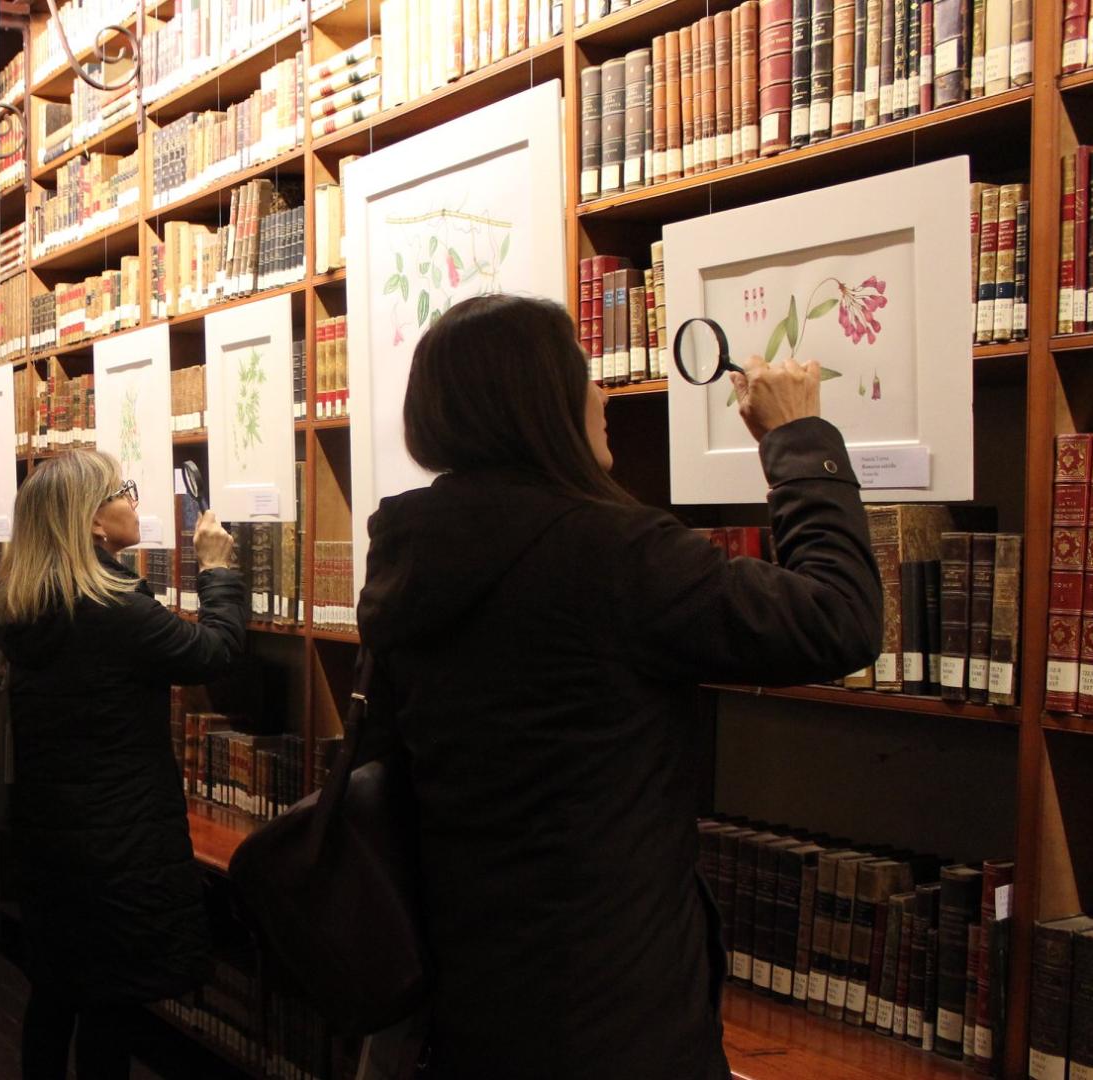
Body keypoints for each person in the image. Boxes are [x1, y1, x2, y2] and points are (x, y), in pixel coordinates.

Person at [354, 294, 883, 1079]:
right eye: (583, 375)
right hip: (615, 1012)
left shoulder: (405, 551)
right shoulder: (610, 554)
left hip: (469, 990)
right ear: (539, 403)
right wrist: (799, 441)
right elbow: (836, 620)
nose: (601, 395)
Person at [0, 450, 247, 1080]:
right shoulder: (113, 609)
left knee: (54, 993)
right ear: (93, 524)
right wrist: (216, 571)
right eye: (122, 491)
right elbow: (214, 651)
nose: (135, 500)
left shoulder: (24, 602)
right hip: (115, 843)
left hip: (50, 839)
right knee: (110, 1007)